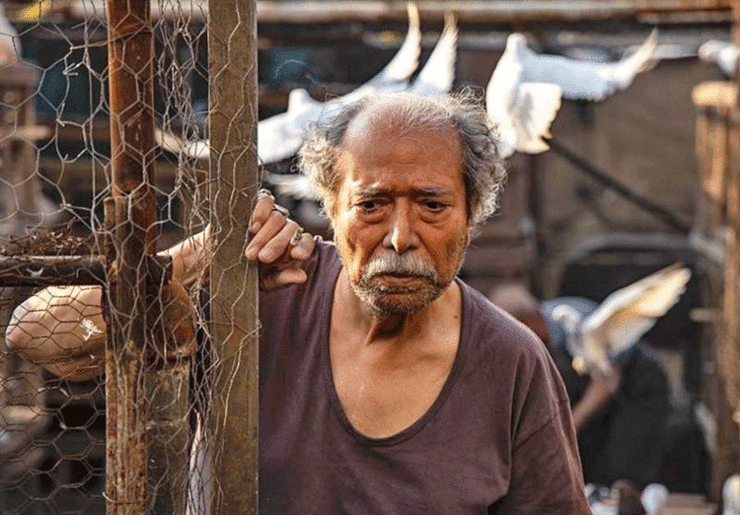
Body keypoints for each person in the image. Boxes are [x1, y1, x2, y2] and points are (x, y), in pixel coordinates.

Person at [7, 90, 590, 513]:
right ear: (331, 210)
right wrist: (196, 260)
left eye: (432, 206)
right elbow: (32, 335)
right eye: (373, 204)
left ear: (471, 216)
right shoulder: (262, 298)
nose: (399, 237)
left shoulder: (512, 363)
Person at [489, 283, 670, 491]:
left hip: (635, 384)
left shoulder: (573, 322)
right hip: (588, 393)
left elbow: (605, 383)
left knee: (623, 467)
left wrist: (565, 428)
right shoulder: (527, 343)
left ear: (528, 322)